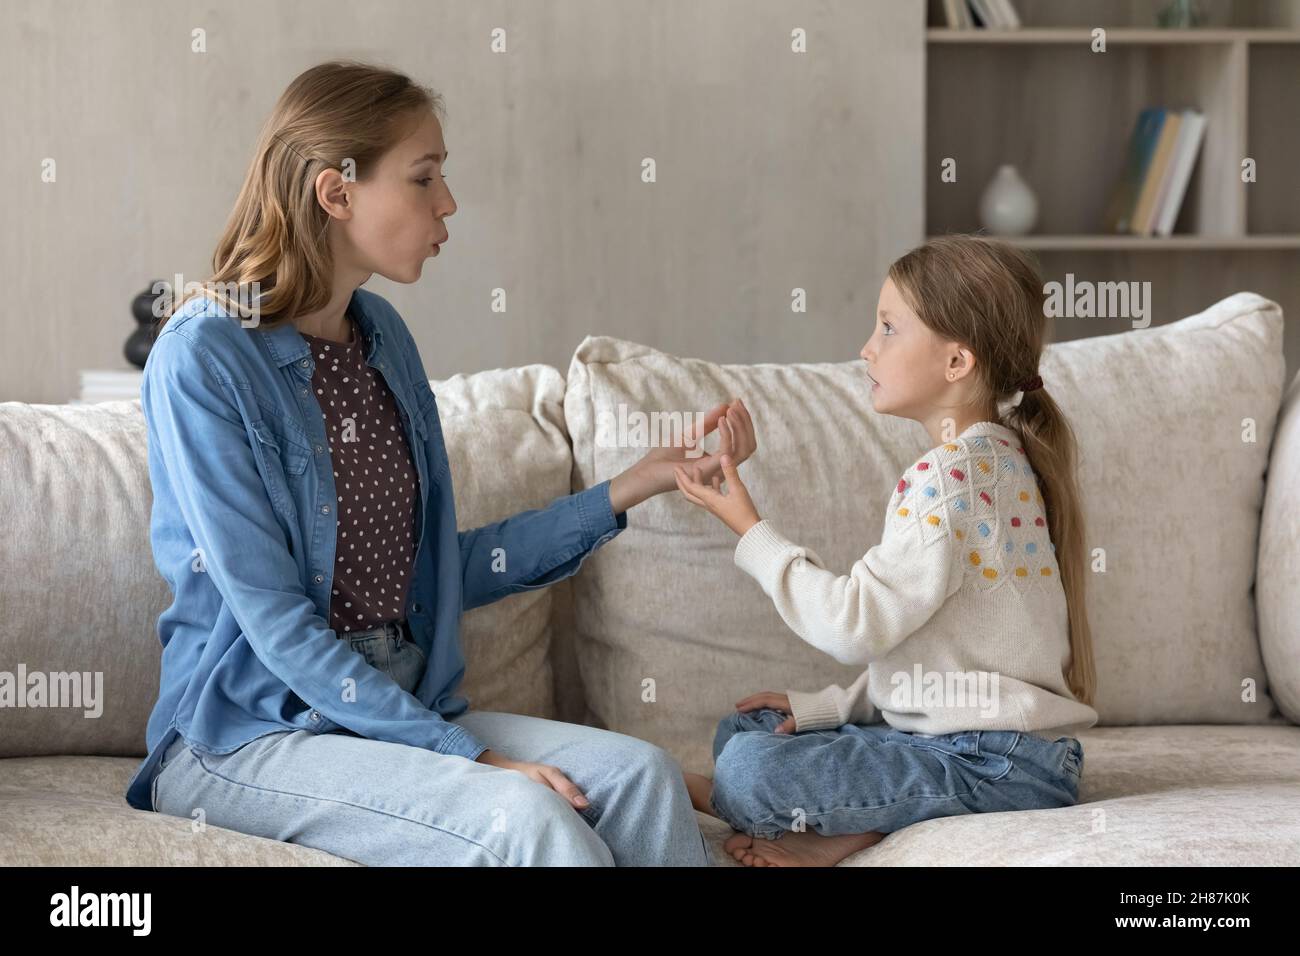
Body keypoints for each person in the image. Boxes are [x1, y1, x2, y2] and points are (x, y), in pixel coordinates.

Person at [127, 60, 758, 866]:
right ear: (336, 192)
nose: (448, 202)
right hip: (252, 730)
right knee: (525, 820)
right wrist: (470, 759)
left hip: (396, 700)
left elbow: (439, 569)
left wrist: (637, 483)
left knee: (642, 775)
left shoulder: (382, 337)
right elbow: (271, 615)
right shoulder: (204, 357)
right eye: (425, 177)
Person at [675, 235, 1097, 867]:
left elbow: (851, 626)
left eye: (889, 329)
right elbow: (936, 656)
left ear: (956, 362)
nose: (866, 348)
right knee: (748, 730)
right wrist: (831, 709)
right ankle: (849, 831)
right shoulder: (998, 461)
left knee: (747, 768)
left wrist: (748, 527)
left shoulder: (947, 481)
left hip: (990, 762)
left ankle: (729, 801)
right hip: (1002, 752)